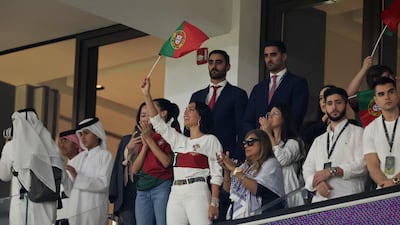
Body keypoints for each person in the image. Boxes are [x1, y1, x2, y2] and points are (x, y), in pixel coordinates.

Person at [140, 77, 223, 225]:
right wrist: (147, 94)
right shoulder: (179, 140)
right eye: (186, 109)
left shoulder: (210, 140)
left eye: (191, 109)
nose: (186, 112)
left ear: (201, 116)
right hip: (176, 193)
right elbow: (158, 123)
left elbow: (217, 175)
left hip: (198, 191)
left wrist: (214, 203)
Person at [188, 49, 248, 221]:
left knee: (221, 209)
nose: (214, 66)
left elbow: (241, 129)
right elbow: (189, 130)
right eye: (211, 62)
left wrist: (235, 159)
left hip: (224, 162)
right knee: (198, 211)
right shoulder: (197, 96)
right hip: (198, 163)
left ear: (228, 66)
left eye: (219, 62)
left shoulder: (237, 94)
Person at [0, 108, 65, 225]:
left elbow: (4, 175)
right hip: (47, 211)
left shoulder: (11, 147)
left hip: (23, 211)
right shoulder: (53, 148)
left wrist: (6, 146)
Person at [302, 87, 367, 203]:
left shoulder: (358, 132)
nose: (334, 107)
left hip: (349, 200)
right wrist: (316, 182)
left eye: (338, 102)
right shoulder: (319, 140)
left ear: (346, 104)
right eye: (329, 103)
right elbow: (307, 169)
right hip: (320, 201)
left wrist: (333, 171)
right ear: (325, 107)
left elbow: (363, 164)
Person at [243, 40, 309, 134]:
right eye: (266, 55)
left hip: (284, 142)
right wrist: (255, 138)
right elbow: (248, 120)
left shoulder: (298, 83)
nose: (269, 59)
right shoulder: (258, 88)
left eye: (273, 55)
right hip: (259, 143)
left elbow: (296, 116)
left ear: (284, 56)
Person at [131, 98, 180, 225]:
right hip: (142, 189)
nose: (147, 117)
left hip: (161, 185)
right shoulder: (149, 135)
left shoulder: (172, 133)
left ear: (163, 113)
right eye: (143, 115)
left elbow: (166, 162)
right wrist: (147, 141)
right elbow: (135, 169)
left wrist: (149, 140)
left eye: (150, 111)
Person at [217, 129, 285, 220]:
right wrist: (227, 170)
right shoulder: (243, 167)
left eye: (250, 142)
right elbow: (227, 192)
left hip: (266, 219)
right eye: (244, 143)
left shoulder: (271, 163)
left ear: (262, 143)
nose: (245, 145)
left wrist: (234, 169)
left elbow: (257, 189)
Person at [64, 117, 113, 225]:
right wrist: (64, 178)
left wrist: (77, 178)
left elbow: (103, 184)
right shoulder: (78, 158)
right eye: (80, 134)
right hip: (75, 212)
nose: (83, 137)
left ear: (96, 133)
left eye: (86, 133)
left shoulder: (105, 156)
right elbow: (69, 190)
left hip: (93, 212)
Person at [259, 104, 304, 207]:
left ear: (284, 119)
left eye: (275, 113)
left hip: (289, 193)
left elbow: (282, 159)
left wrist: (268, 133)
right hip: (269, 195)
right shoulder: (267, 145)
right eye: (269, 114)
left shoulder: (294, 142)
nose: (270, 116)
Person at [109, 103, 146, 225]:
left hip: (146, 188)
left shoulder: (159, 139)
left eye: (149, 115)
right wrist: (128, 150)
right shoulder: (127, 139)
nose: (145, 119)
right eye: (142, 115)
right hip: (128, 191)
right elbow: (118, 168)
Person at [363, 77, 400, 188]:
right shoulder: (370, 129)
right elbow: (372, 165)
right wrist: (385, 183)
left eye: (391, 92)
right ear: (375, 99)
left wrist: (394, 181)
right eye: (381, 94)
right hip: (384, 191)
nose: (387, 97)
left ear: (397, 94)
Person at [347, 56, 397, 127]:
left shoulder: (397, 92)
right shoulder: (364, 97)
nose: (392, 78)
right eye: (387, 76)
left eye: (392, 75)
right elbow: (349, 96)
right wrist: (364, 69)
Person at [57, 129, 83, 223]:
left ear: (76, 144)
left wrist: (75, 176)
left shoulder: (85, 160)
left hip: (76, 216)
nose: (61, 144)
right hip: (61, 215)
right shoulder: (67, 164)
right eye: (60, 141)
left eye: (65, 141)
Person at [301, 85, 336, 150]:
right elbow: (305, 137)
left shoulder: (347, 124)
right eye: (321, 98)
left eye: (326, 96)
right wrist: (325, 116)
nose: (323, 101)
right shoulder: (311, 125)